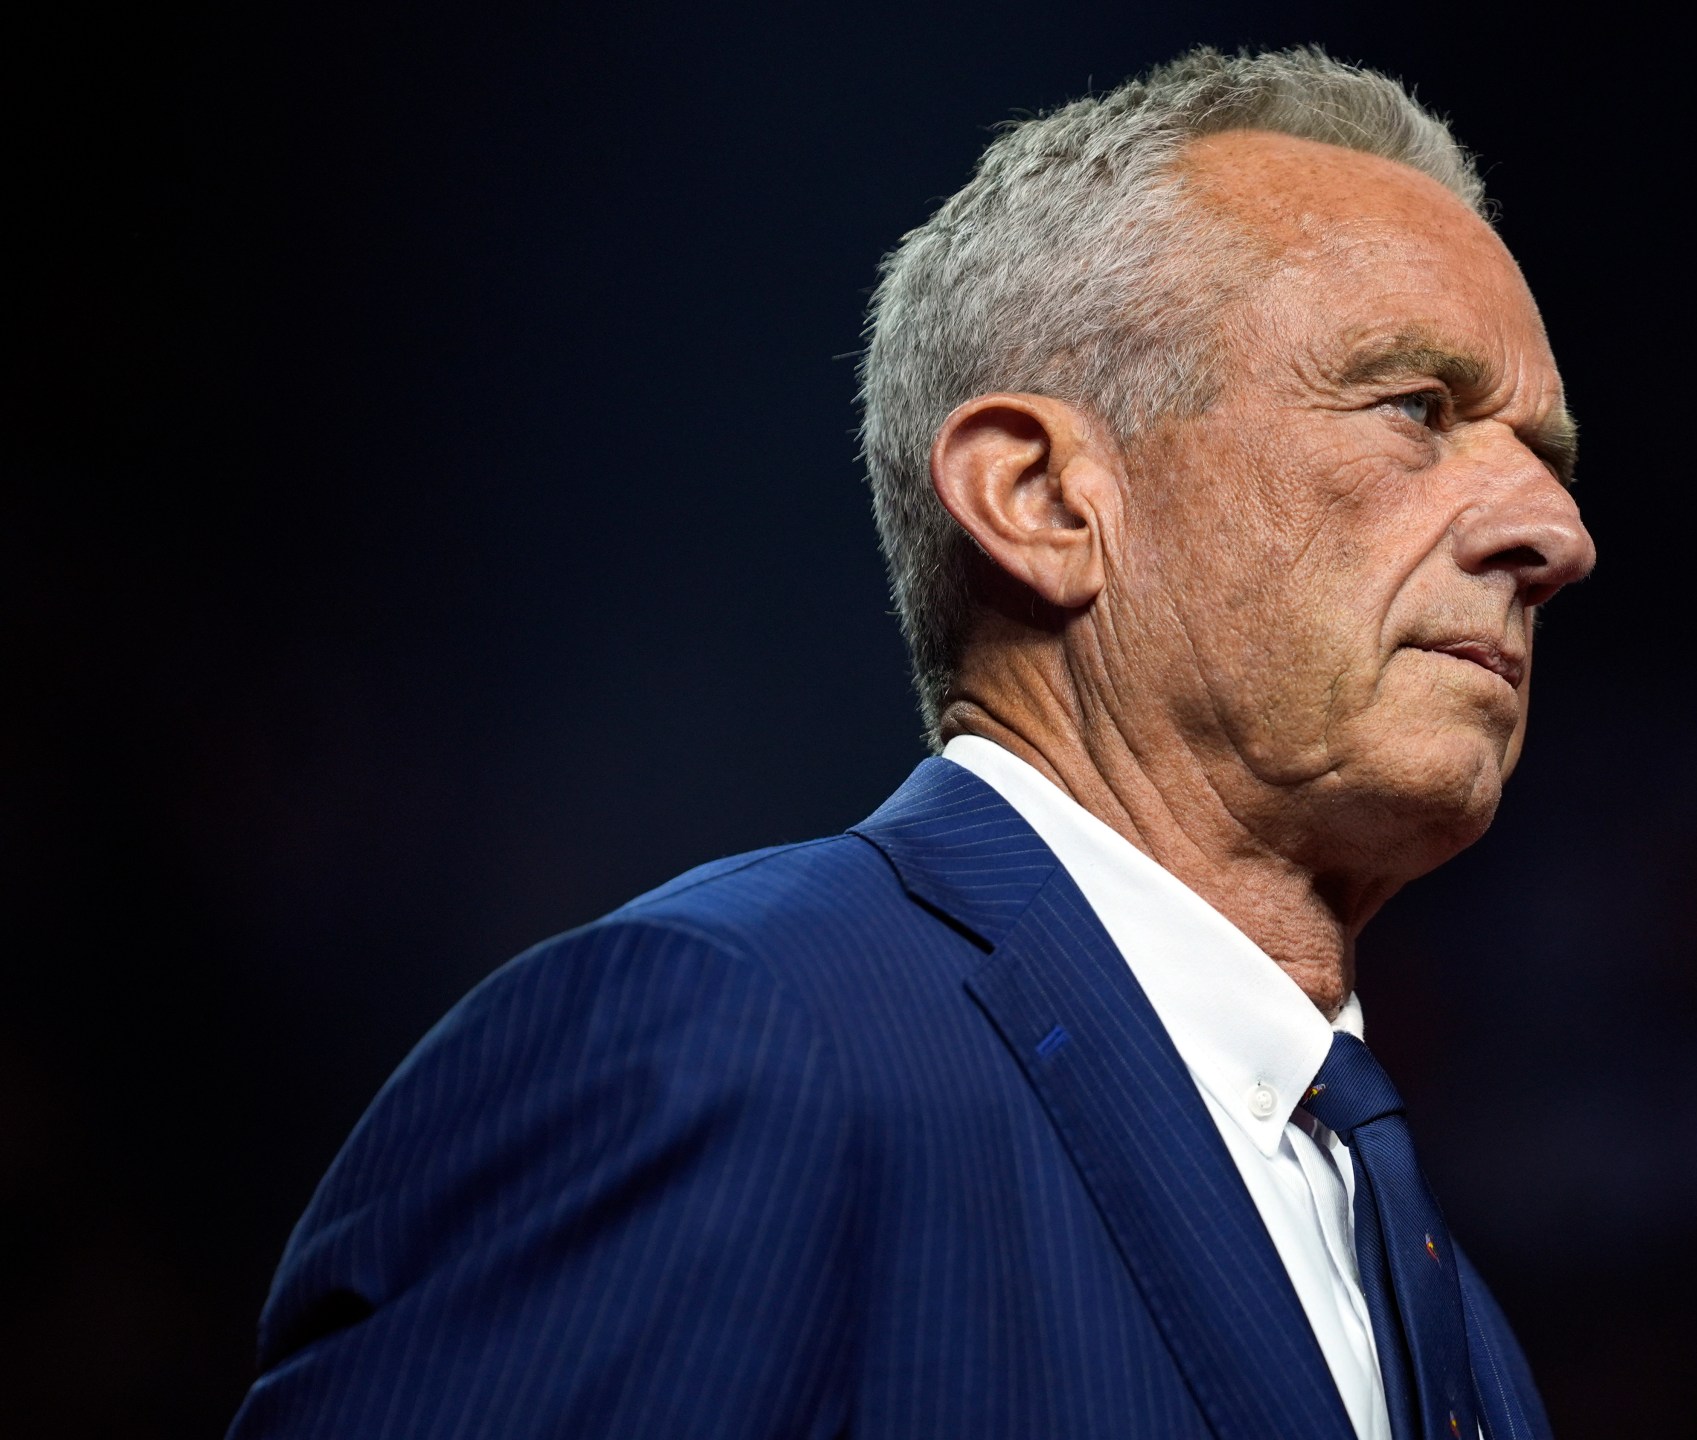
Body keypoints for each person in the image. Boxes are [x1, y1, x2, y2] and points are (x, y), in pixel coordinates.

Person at [230, 47, 1594, 1440]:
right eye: (1419, 410)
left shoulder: (1449, 1314)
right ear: (1044, 498)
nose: (1556, 536)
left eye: (1548, 455)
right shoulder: (729, 1041)